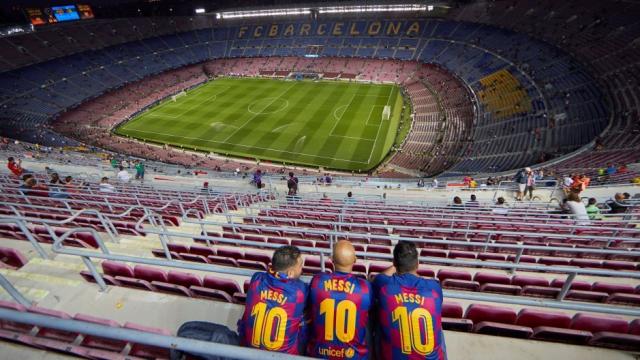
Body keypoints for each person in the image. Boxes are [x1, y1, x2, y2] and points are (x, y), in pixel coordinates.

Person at [372, 241, 447, 359]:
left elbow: (376, 279)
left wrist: (397, 264)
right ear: (417, 264)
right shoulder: (434, 287)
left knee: (378, 314)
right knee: (438, 326)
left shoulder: (383, 284)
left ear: (394, 263)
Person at [308, 240, 372, 359]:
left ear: (331, 260)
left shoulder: (317, 281)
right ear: (355, 260)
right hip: (354, 356)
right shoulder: (365, 287)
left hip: (318, 354)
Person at [238, 245, 307, 354]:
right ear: (290, 273)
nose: (302, 269)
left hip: (247, 351)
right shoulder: (300, 291)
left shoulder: (256, 278)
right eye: (300, 266)